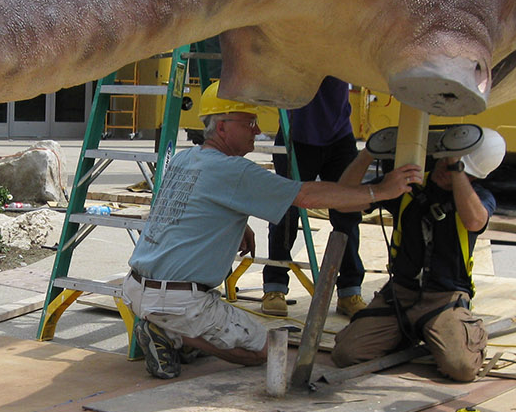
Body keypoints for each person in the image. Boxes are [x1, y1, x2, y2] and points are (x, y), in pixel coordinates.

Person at [124, 81, 422, 379]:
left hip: (136, 287)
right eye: (249, 122)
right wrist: (379, 191)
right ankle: (173, 334)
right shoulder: (236, 171)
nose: (257, 129)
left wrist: (235, 225)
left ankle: (171, 329)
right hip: (178, 301)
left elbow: (188, 209)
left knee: (213, 326)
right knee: (263, 351)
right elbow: (306, 195)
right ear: (223, 127)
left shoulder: (185, 159)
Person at [328, 130, 505, 382]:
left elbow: (475, 221)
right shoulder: (408, 187)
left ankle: (454, 333)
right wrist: (368, 154)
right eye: (445, 160)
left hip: (444, 298)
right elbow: (341, 201)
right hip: (400, 296)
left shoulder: (478, 198)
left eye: (460, 167)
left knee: (462, 368)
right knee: (346, 354)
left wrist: (457, 169)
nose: (447, 167)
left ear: (474, 175)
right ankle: (408, 331)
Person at [261, 76, 368, 319]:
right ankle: (275, 286)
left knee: (347, 214)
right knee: (284, 213)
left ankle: (350, 290)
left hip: (339, 134)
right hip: (296, 135)